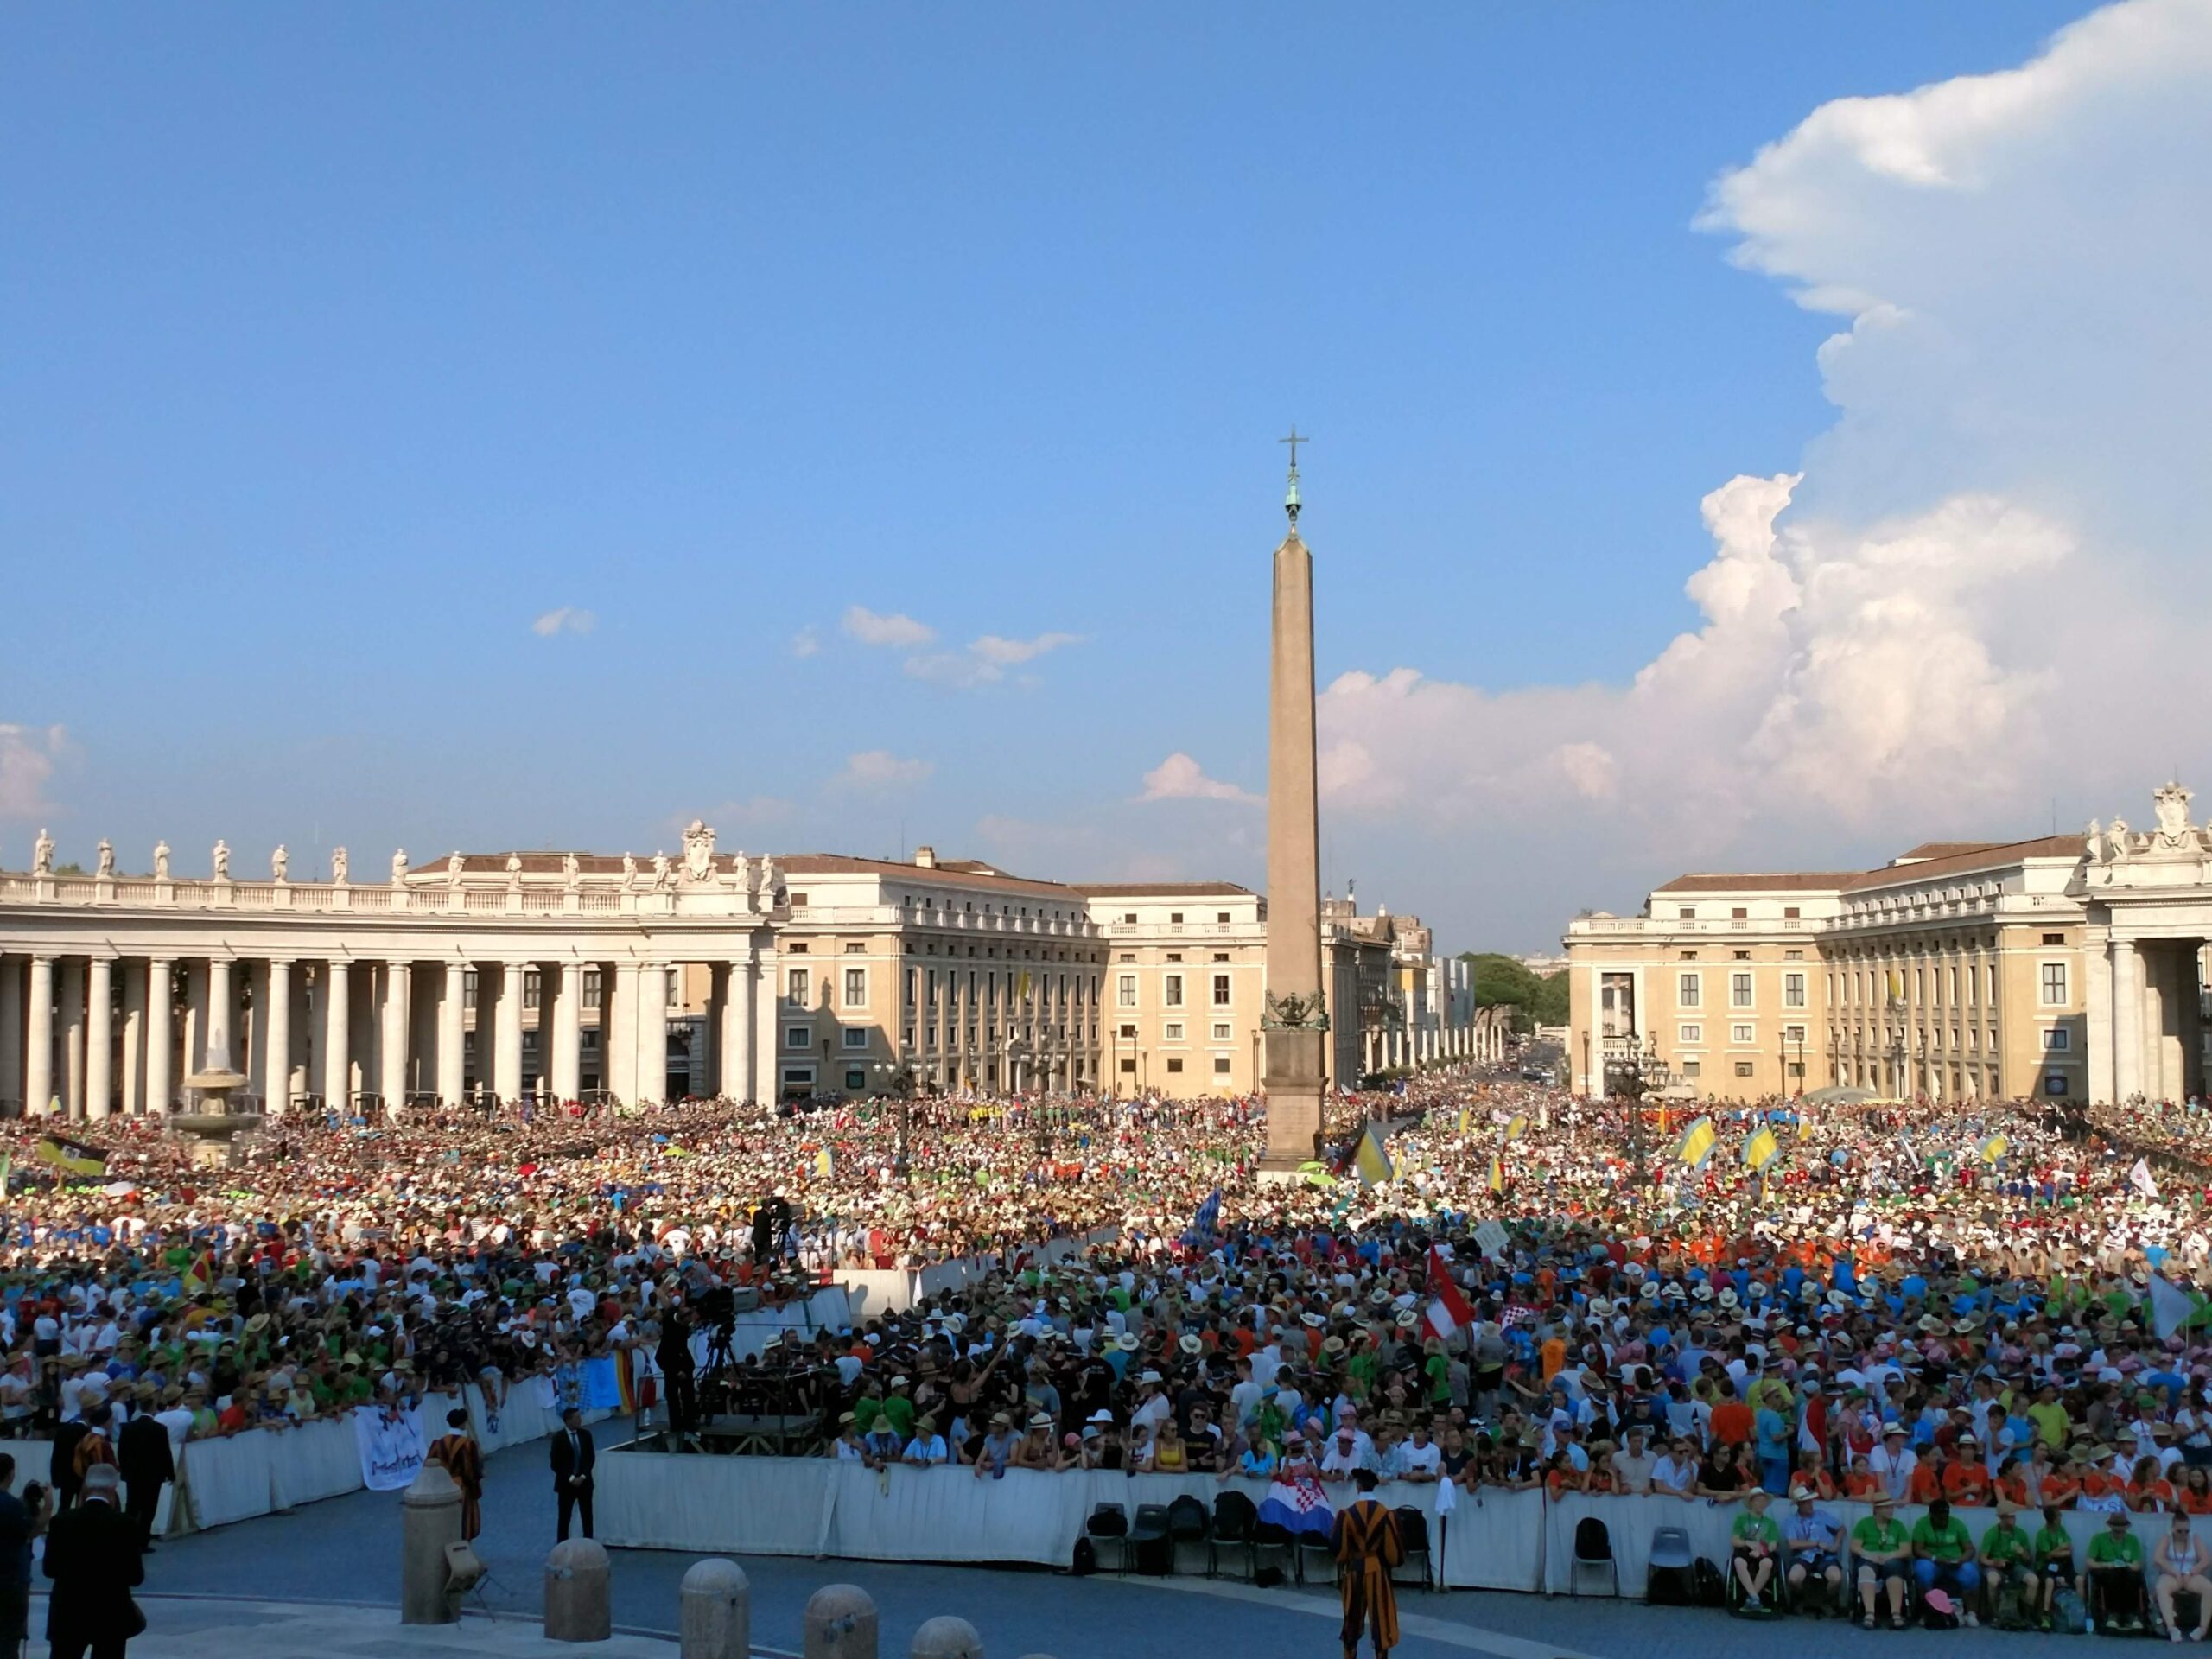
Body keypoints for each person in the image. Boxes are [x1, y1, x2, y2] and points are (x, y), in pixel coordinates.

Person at [41, 1464, 142, 1659]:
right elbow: (135, 1576)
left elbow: (50, 1570)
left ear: (85, 1488)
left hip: (67, 1610)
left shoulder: (61, 1521)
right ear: (114, 1489)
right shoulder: (125, 1524)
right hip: (110, 1612)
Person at [1331, 1468, 1402, 1659]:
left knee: (1352, 1620)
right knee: (1381, 1621)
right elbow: (1394, 1554)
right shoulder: (1386, 1515)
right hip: (1377, 1569)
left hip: (1354, 1570)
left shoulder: (1346, 1515)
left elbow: (1339, 1550)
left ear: (1358, 1486)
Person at [1910, 1496, 1982, 1625]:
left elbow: (1970, 1549)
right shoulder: (1922, 1524)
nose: (1944, 1520)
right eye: (1940, 1518)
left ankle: (1971, 1613)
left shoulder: (1957, 1524)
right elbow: (1917, 1549)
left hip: (1955, 1563)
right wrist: (1935, 1558)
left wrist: (1961, 1560)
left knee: (1971, 1572)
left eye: (1946, 1517)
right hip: (1933, 1562)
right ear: (1931, 1515)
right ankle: (1928, 1612)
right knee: (1922, 1569)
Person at [112, 1408, 170, 1555]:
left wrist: (125, 1471)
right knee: (149, 1509)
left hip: (134, 1474)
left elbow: (122, 1452)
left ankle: (127, 1540)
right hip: (153, 1475)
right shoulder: (160, 1429)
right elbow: (165, 1452)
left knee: (132, 1507)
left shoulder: (128, 1428)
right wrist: (170, 1473)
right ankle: (143, 1542)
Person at [1852, 1491, 1912, 1631]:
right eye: (1887, 1507)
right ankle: (1869, 1613)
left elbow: (1906, 1550)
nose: (1891, 1510)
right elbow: (1855, 1547)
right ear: (1877, 1509)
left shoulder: (1898, 1526)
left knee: (1894, 1569)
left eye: (1891, 1507)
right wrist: (1868, 1554)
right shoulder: (1864, 1524)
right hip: (1869, 1557)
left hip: (1891, 1558)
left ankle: (1896, 1613)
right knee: (1865, 1569)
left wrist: (1891, 1554)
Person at [1781, 1485, 1842, 1611]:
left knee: (1836, 1578)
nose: (1810, 1505)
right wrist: (1816, 1544)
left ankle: (1825, 1600)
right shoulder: (1791, 1521)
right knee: (1794, 1578)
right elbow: (1793, 1544)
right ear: (1799, 1505)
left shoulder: (1821, 1515)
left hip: (1825, 1555)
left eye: (1811, 1502)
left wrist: (1836, 1543)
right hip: (1803, 1556)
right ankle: (1805, 1599)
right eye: (1806, 1503)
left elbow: (1841, 1528)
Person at [426, 1408, 484, 1541]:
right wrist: (476, 1490)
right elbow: (471, 1472)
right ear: (463, 1423)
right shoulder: (467, 1445)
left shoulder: (437, 1444)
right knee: (464, 1523)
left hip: (441, 1488)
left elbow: (429, 1467)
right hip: (461, 1489)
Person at [2153, 1512, 2212, 1642]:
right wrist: (2174, 1572)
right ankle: (2171, 1628)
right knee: (2161, 1587)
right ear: (2172, 1529)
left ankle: (2202, 1628)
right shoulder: (2167, 1538)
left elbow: (2205, 1560)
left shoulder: (2194, 1538)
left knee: (2209, 1588)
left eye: (2186, 1531)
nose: (2183, 1534)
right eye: (2179, 1531)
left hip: (2190, 1575)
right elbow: (2158, 1558)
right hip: (2172, 1574)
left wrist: (2191, 1572)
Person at [2088, 1509, 2147, 1633]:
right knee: (2112, 1577)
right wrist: (2106, 1564)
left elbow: (2137, 1564)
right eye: (2116, 1530)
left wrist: (2129, 1566)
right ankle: (2112, 1613)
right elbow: (2090, 1562)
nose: (2119, 1533)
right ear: (2111, 1528)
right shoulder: (2098, 1539)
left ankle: (2131, 1614)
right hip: (2107, 1569)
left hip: (2126, 1570)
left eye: (2122, 1531)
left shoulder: (2133, 1540)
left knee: (2133, 1577)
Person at [1979, 1502, 2034, 1628]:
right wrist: (1995, 1562)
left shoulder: (2020, 1533)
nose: (2013, 1519)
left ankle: (2026, 1616)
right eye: (2010, 1516)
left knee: (2033, 1580)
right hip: (1996, 1566)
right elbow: (1982, 1559)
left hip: (2015, 1566)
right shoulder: (1991, 1534)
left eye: (2014, 1516)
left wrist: (2022, 1553)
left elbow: (2029, 1560)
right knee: (1993, 1580)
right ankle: (1995, 1615)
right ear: (2002, 1517)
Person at [1730, 1487, 1782, 1611]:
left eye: (1763, 1501)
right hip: (1745, 1549)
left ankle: (1751, 1598)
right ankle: (1755, 1597)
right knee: (1739, 1562)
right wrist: (1748, 1543)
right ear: (1751, 1502)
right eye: (1758, 1501)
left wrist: (1762, 1551)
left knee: (1767, 1562)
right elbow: (1734, 1540)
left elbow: (1773, 1544)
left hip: (1762, 1551)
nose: (1761, 1504)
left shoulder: (1771, 1523)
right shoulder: (1741, 1519)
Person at [2031, 1500, 2078, 1632]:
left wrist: (2058, 1551)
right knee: (2050, 1581)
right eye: (2058, 1516)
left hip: (2063, 1565)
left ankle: (2079, 1613)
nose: (2061, 1518)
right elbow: (2047, 1556)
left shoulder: (2061, 1530)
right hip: (2045, 1567)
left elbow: (2069, 1549)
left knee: (2079, 1580)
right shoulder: (2042, 1534)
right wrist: (2060, 1548)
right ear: (2052, 1519)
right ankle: (2045, 1615)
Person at [550, 1406, 594, 1542]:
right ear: (568, 1420)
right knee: (564, 1516)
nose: (580, 1420)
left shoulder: (586, 1435)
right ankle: (562, 1544)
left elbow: (590, 1458)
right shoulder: (558, 1438)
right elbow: (556, 1463)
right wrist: (570, 1478)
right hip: (566, 1485)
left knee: (587, 1515)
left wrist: (582, 1476)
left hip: (584, 1483)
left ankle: (589, 1543)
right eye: (577, 1417)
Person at [0, 1455, 29, 1659]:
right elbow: (25, 1535)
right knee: (9, 1641)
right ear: (11, 1474)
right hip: (8, 1582)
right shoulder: (13, 1507)